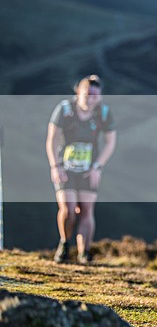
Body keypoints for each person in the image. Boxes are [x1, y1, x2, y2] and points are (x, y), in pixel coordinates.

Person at [46, 75, 117, 264]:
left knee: (86, 210)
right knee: (68, 209)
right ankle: (64, 243)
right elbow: (52, 139)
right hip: (65, 167)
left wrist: (98, 167)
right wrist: (55, 166)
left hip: (89, 169)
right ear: (79, 92)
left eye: (95, 95)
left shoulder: (103, 113)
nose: (91, 98)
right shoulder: (64, 109)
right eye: (87, 94)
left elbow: (110, 142)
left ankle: (84, 253)